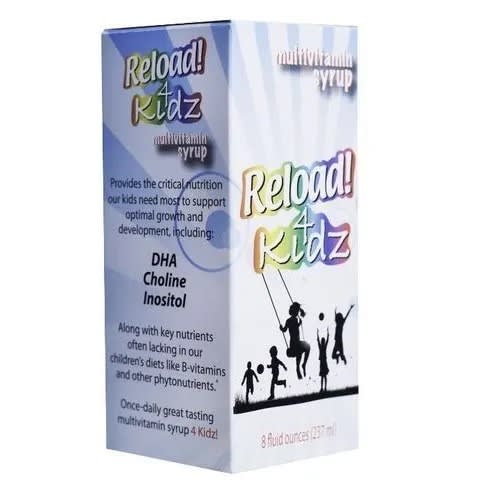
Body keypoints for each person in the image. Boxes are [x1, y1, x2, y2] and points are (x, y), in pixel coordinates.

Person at [280, 302, 310, 379]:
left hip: (297, 341)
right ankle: (299, 367)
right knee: (301, 351)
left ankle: (301, 366)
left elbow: (286, 329)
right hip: (294, 343)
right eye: (296, 311)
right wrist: (282, 328)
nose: (297, 313)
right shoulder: (290, 320)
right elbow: (289, 329)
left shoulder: (293, 320)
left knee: (305, 348)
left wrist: (282, 328)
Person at [317, 327, 330, 392]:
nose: (323, 342)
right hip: (323, 362)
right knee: (324, 376)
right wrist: (317, 333)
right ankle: (323, 388)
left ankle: (323, 388)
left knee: (323, 376)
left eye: (323, 341)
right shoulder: (323, 347)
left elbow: (319, 340)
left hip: (323, 362)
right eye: (323, 341)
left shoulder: (322, 347)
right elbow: (319, 340)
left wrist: (327, 333)